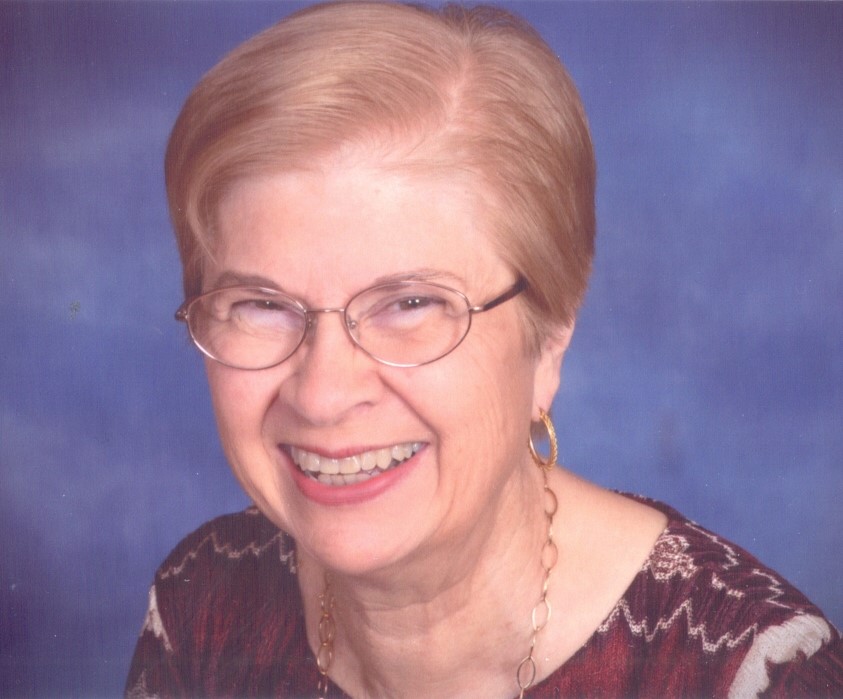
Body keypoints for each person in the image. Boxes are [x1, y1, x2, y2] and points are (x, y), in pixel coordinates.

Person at [126, 2, 842, 697]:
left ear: (549, 335)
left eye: (411, 304)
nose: (323, 394)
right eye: (261, 305)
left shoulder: (756, 673)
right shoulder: (204, 602)